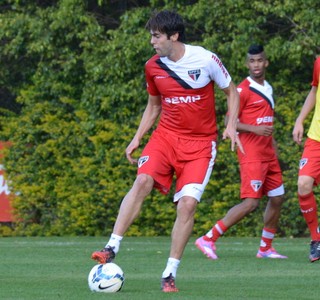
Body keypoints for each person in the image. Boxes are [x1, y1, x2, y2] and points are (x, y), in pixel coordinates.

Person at [91, 10, 242, 292]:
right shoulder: (153, 67)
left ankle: (169, 273)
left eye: (156, 36)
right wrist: (138, 137)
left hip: (199, 145)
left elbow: (231, 92)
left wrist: (231, 125)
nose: (152, 41)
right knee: (142, 180)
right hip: (165, 138)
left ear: (173, 36)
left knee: (187, 205)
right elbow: (154, 105)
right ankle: (111, 246)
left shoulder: (206, 59)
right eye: (151, 35)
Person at [195, 45, 287, 260]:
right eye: (252, 61)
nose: (256, 64)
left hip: (268, 154)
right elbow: (229, 121)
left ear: (266, 63)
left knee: (278, 198)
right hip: (251, 154)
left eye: (260, 60)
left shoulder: (268, 88)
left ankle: (265, 248)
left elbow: (266, 121)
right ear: (247, 64)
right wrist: (255, 130)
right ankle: (208, 238)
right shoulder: (243, 89)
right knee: (251, 203)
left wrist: (273, 147)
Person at [292, 56, 320, 262]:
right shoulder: (319, 62)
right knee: (303, 184)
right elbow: (314, 90)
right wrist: (300, 120)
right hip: (316, 137)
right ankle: (316, 239)